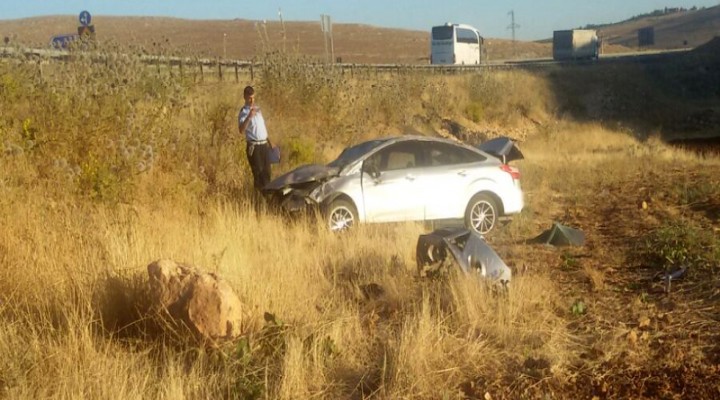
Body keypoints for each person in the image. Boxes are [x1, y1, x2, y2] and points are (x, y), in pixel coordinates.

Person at [238, 85, 272, 191]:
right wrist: (249, 117)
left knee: (267, 173)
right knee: (258, 174)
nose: (252, 100)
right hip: (254, 147)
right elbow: (241, 130)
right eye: (250, 98)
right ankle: (257, 200)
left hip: (264, 145)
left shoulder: (258, 109)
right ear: (245, 97)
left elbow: (263, 128)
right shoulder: (243, 112)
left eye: (253, 97)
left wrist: (270, 143)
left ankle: (267, 200)